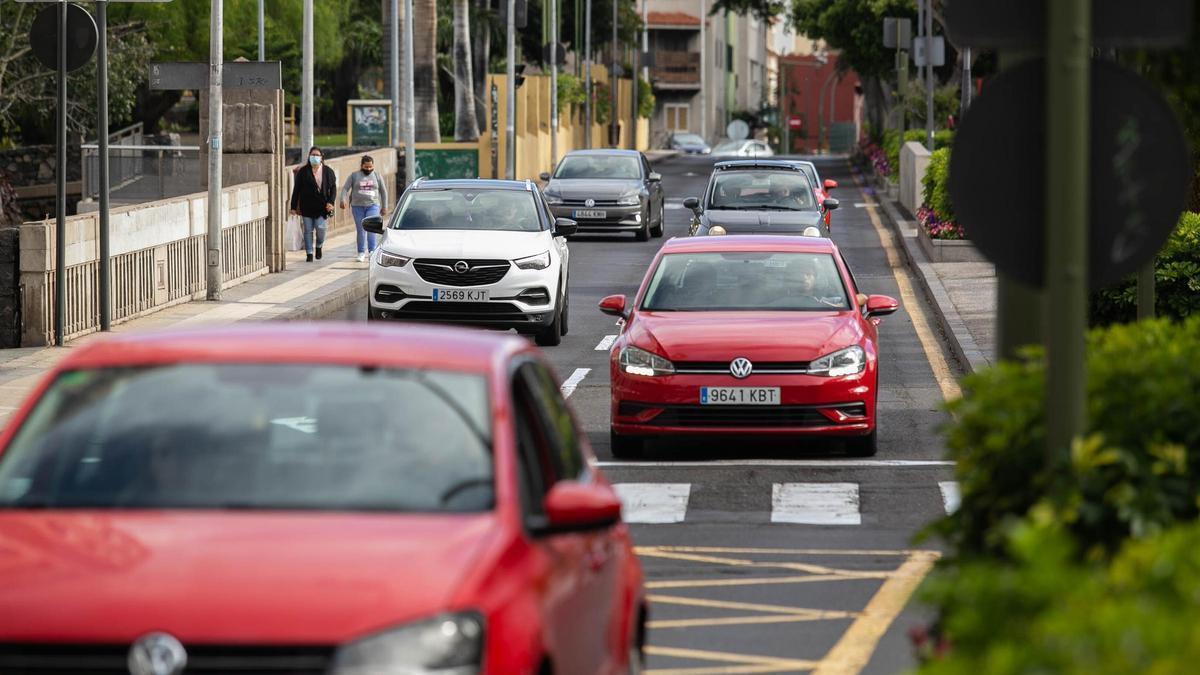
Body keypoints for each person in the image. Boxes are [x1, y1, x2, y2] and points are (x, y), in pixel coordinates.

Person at [339, 155, 389, 263]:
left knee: (371, 228)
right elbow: (345, 188)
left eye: (371, 167)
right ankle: (361, 252)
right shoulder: (354, 176)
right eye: (366, 167)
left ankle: (371, 251)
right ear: (362, 166)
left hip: (372, 205)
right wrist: (342, 200)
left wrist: (384, 206)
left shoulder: (377, 176)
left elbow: (383, 192)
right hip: (357, 207)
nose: (369, 169)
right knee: (360, 229)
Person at [290, 146, 337, 262]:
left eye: (317, 155)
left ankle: (319, 245)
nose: (314, 157)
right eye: (313, 155)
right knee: (308, 230)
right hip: (307, 206)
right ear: (309, 156)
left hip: (322, 207)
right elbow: (296, 190)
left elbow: (333, 188)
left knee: (321, 229)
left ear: (321, 157)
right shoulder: (303, 172)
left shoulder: (328, 171)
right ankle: (309, 253)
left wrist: (331, 202)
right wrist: (293, 207)